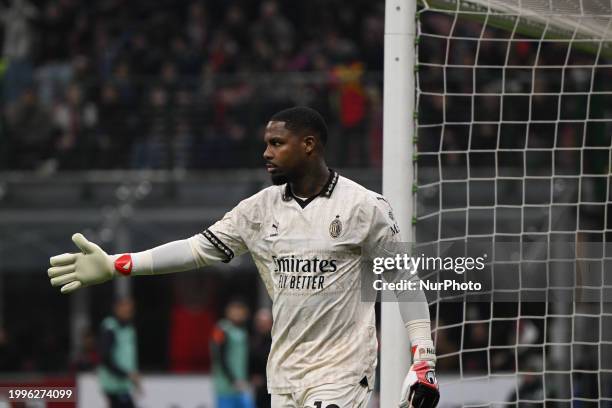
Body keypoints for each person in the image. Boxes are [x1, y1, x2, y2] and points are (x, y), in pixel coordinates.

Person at [47, 106, 440, 408]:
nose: (265, 152)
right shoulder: (257, 210)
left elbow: (405, 283)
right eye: (266, 143)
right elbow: (196, 249)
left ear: (309, 144)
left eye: (276, 143)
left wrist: (423, 359)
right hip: (284, 375)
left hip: (341, 372)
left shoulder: (364, 207)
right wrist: (119, 264)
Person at [98, 297, 141, 408]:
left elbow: (128, 357)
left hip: (123, 384)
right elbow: (105, 357)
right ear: (117, 308)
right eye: (125, 307)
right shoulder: (110, 327)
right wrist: (125, 374)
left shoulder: (129, 329)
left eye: (130, 308)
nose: (128, 311)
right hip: (113, 384)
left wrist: (133, 378)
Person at [211, 299, 253, 408]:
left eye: (241, 311)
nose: (238, 314)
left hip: (242, 385)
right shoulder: (221, 328)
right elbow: (219, 356)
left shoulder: (244, 330)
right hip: (226, 386)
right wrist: (232, 379)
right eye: (235, 311)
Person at [250, 308, 272, 408]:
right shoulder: (252, 340)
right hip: (259, 389)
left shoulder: (276, 342)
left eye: (265, 322)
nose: (261, 325)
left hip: (274, 387)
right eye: (259, 322)